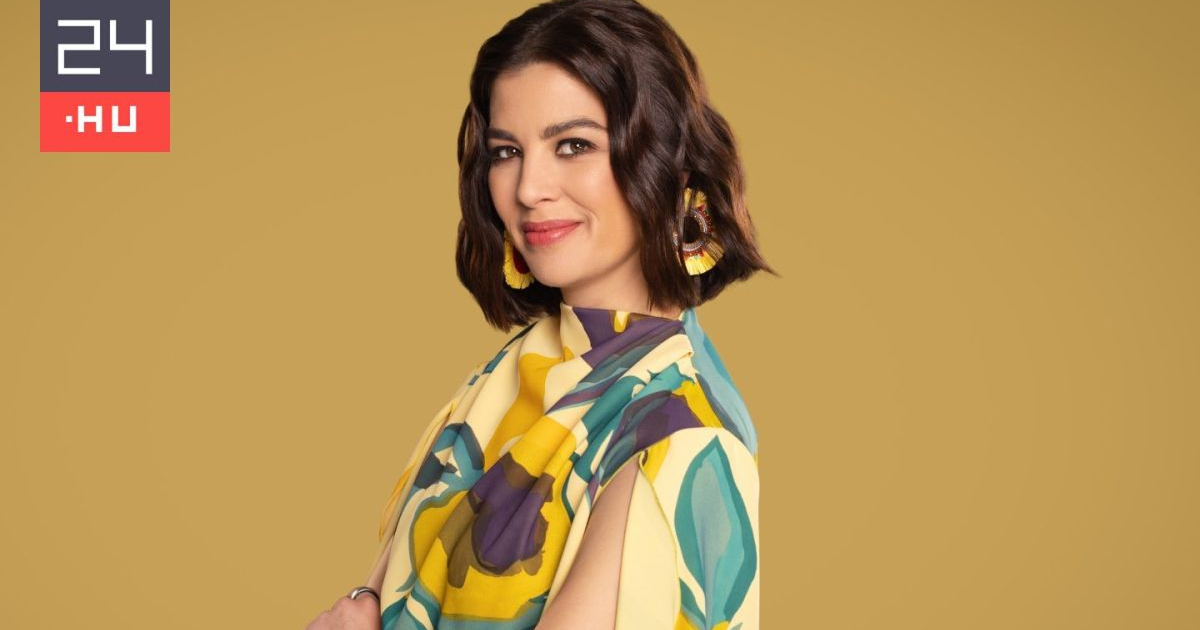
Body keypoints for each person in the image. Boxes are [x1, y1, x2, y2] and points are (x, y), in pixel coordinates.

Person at [306, 0, 776, 628]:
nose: (528, 189)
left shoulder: (674, 438)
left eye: (574, 145)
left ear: (665, 162)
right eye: (506, 152)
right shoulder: (522, 371)